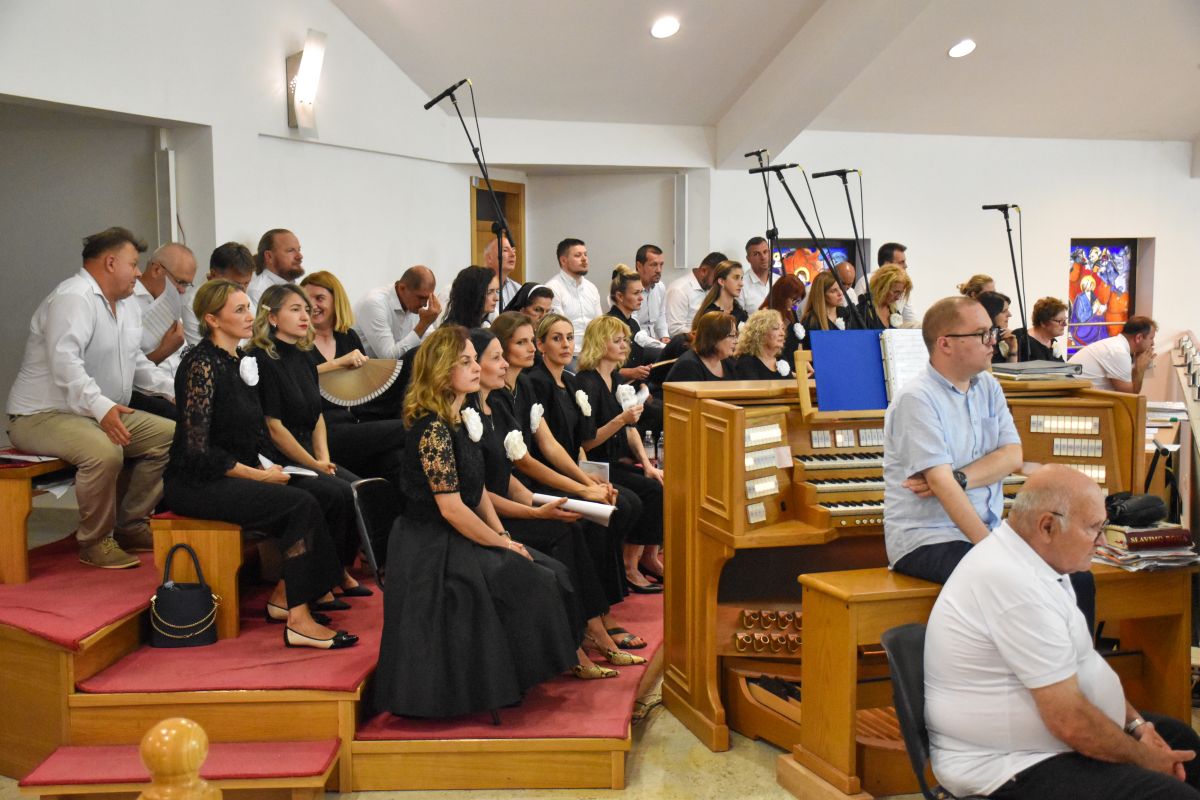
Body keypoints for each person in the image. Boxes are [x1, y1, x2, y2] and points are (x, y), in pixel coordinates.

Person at [925, 465, 1200, 800]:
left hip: (1047, 745)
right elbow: (1069, 722)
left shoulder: (1041, 562)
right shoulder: (1012, 582)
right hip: (1008, 765)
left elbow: (1084, 666)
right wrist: (1145, 759)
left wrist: (1137, 726)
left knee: (1183, 741)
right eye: (1094, 529)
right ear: (1047, 526)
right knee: (1170, 795)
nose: (1101, 541)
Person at [372, 326, 580, 717]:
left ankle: (520, 674)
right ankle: (497, 682)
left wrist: (502, 534)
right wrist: (501, 544)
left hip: (457, 532)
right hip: (429, 545)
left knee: (551, 570)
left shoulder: (458, 419)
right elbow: (451, 508)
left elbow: (478, 490)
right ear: (441, 370)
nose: (475, 367)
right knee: (525, 575)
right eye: (465, 361)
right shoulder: (433, 429)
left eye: (474, 360)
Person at [162, 279, 355, 649]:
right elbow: (198, 450)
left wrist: (277, 467)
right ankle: (299, 620)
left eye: (248, 307)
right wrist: (258, 476)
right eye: (239, 310)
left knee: (327, 493)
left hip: (238, 469)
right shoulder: (200, 365)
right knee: (300, 504)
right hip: (197, 482)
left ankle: (288, 595)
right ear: (212, 319)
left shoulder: (239, 361)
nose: (249, 315)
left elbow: (253, 432)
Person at [883, 296, 1094, 627]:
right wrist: (994, 551)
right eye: (982, 334)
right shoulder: (917, 399)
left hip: (988, 530)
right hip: (928, 539)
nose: (993, 341)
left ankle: (1076, 659)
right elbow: (942, 486)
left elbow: (1011, 456)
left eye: (991, 332)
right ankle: (1032, 659)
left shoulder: (988, 387)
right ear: (945, 344)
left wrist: (960, 478)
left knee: (1075, 574)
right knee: (1016, 584)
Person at [467, 328, 644, 677]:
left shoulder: (502, 401)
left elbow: (523, 466)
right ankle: (579, 641)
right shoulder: (472, 413)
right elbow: (483, 489)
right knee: (567, 532)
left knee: (583, 521)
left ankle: (595, 628)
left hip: (513, 499)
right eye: (497, 356)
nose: (503, 364)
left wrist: (577, 490)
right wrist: (538, 511)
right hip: (487, 516)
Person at [7, 227, 176, 569]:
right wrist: (102, 408)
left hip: (97, 412)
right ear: (111, 263)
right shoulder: (74, 297)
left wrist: (178, 392)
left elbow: (137, 363)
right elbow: (65, 365)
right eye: (133, 264)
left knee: (171, 436)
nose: (139, 272)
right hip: (41, 416)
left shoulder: (127, 305)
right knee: (104, 451)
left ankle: (130, 526)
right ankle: (95, 541)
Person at [247, 284, 371, 602]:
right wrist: (313, 463)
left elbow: (317, 416)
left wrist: (323, 458)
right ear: (272, 318)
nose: (306, 315)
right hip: (277, 456)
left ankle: (336, 571)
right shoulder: (262, 358)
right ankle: (320, 580)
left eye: (306, 309)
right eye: (295, 309)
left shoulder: (303, 355)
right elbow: (273, 427)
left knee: (357, 489)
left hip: (307, 453)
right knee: (334, 494)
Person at [576, 316, 664, 592]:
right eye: (617, 340)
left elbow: (631, 429)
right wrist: (621, 420)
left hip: (614, 460)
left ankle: (647, 558)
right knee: (641, 496)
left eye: (625, 340)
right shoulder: (587, 382)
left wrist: (647, 464)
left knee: (656, 484)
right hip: (594, 464)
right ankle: (628, 565)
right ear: (600, 344)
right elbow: (588, 441)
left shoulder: (614, 378)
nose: (624, 345)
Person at [299, 271, 406, 485]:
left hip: (352, 423)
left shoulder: (348, 337)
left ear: (336, 301)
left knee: (396, 459)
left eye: (319, 298)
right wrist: (338, 364)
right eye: (306, 300)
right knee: (409, 427)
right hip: (319, 430)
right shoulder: (297, 341)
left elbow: (362, 388)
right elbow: (296, 379)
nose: (312, 306)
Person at [130, 242, 199, 419]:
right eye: (180, 282)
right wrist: (164, 351)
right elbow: (130, 369)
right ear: (156, 270)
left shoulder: (170, 300)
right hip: (146, 392)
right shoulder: (128, 301)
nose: (182, 290)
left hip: (176, 384)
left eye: (187, 284)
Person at [353, 266, 440, 359]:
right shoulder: (374, 304)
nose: (424, 304)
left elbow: (429, 344)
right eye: (421, 298)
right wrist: (423, 324)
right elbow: (388, 359)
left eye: (427, 298)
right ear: (402, 288)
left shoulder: (416, 304)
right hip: (361, 367)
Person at [545, 238, 603, 366]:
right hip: (568, 355)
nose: (584, 259)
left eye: (585, 254)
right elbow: (558, 328)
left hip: (593, 353)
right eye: (578, 255)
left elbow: (599, 324)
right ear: (563, 260)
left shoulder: (591, 288)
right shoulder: (553, 288)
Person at [1069, 316, 1157, 393]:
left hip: (1075, 391)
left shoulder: (1117, 345)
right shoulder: (1119, 352)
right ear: (1139, 338)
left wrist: (1137, 367)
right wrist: (1140, 368)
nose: (1153, 343)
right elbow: (1129, 396)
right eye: (1151, 338)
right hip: (1070, 394)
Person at [605, 266, 654, 384]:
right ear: (620, 296)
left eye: (641, 292)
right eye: (636, 293)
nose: (641, 298)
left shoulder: (634, 324)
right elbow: (602, 368)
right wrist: (631, 372)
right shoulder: (608, 325)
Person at [665, 250, 725, 337]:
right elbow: (675, 329)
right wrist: (706, 336)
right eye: (716, 277)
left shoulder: (709, 287)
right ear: (704, 271)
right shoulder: (679, 289)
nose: (718, 282)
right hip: (686, 342)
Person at [664, 311, 737, 382]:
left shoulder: (728, 362)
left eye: (736, 335)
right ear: (714, 338)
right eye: (732, 335)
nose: (736, 341)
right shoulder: (688, 366)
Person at [799, 270, 858, 349]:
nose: (840, 293)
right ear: (821, 294)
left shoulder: (846, 313)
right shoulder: (811, 320)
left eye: (840, 288)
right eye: (833, 291)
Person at [761, 273, 807, 372]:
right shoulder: (767, 314)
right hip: (775, 369)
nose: (795, 304)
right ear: (782, 295)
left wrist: (804, 366)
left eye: (798, 300)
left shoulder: (791, 313)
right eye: (793, 299)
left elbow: (798, 346)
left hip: (793, 367)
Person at [247, 228, 303, 306]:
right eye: (290, 250)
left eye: (299, 250)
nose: (300, 256)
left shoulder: (300, 288)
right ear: (269, 256)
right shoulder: (257, 291)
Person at [631, 244, 669, 353]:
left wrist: (664, 336)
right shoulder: (629, 290)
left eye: (661, 265)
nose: (659, 270)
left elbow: (661, 315)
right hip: (635, 345)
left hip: (655, 343)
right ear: (639, 266)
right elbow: (636, 333)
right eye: (654, 265)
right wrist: (662, 346)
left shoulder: (660, 287)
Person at [733, 309, 791, 380]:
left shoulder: (780, 358)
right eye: (776, 328)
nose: (782, 333)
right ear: (760, 334)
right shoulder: (747, 363)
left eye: (782, 328)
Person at [693, 260, 748, 329]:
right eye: (736, 278)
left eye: (741, 278)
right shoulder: (709, 316)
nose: (741, 284)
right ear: (722, 281)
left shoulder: (740, 313)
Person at [442, 265, 500, 329]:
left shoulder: (489, 322)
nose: (496, 298)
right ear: (474, 294)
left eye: (497, 291)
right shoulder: (452, 331)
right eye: (489, 292)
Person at [1014, 297, 1069, 362]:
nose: (1065, 324)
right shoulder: (1022, 340)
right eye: (1060, 321)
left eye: (1065, 320)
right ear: (1043, 322)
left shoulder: (1053, 341)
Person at [861, 264, 913, 331]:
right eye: (895, 292)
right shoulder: (863, 312)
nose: (898, 298)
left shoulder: (894, 312)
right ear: (882, 287)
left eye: (900, 293)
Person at [482, 234, 521, 317]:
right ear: (489, 258)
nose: (513, 255)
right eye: (505, 250)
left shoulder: (518, 289)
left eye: (514, 251)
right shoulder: (477, 286)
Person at [978, 290, 1019, 363]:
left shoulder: (1002, 338)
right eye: (1004, 311)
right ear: (990, 314)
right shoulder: (976, 341)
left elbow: (1010, 369)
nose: (1009, 315)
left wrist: (1012, 349)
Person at [741, 237, 776, 315]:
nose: (763, 257)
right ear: (748, 259)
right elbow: (738, 318)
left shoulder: (779, 280)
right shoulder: (741, 284)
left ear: (770, 253)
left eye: (765, 252)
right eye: (756, 254)